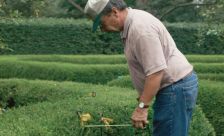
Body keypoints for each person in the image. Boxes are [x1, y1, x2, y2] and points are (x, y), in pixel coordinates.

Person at [84, 0, 199, 136]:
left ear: (114, 12)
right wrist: (142, 101)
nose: (102, 29)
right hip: (174, 87)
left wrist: (141, 109)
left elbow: (156, 72)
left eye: (101, 23)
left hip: (175, 88)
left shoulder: (140, 30)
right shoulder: (132, 23)